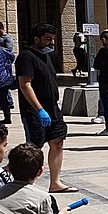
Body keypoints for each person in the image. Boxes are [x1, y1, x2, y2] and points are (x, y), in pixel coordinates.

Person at [16, 23, 75, 193]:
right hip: (35, 111)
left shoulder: (46, 57)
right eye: (48, 39)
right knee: (33, 149)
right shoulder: (26, 57)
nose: (52, 43)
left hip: (53, 109)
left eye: (53, 39)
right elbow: (25, 85)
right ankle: (22, 182)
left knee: (57, 142)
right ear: (36, 39)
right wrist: (39, 109)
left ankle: (55, 183)